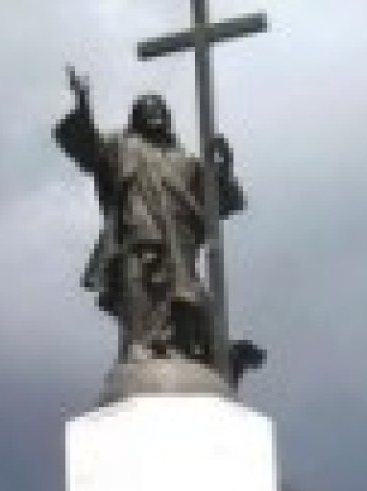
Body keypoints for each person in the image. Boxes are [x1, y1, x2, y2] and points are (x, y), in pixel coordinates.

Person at [55, 66, 244, 364]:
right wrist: (82, 103)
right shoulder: (122, 146)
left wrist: (225, 168)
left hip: (180, 241)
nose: (154, 114)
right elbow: (90, 148)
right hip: (138, 231)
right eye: (147, 110)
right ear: (137, 117)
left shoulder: (187, 162)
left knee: (185, 295)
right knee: (138, 284)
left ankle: (199, 352)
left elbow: (222, 203)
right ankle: (140, 344)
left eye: (159, 110)